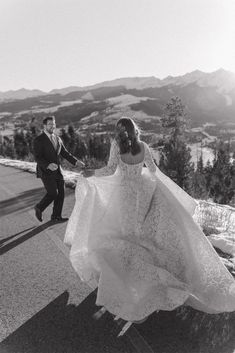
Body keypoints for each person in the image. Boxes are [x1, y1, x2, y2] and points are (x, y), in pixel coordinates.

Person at [64, 117, 235, 335]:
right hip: (144, 192)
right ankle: (140, 268)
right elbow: (153, 170)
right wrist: (171, 193)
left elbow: (109, 170)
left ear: (120, 132)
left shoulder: (117, 145)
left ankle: (129, 275)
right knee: (140, 232)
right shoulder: (143, 146)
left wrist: (91, 174)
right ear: (135, 130)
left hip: (125, 193)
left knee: (125, 233)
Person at [33, 116, 84, 223]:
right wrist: (48, 165)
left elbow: (65, 153)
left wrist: (76, 162)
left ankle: (56, 216)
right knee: (53, 193)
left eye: (54, 124)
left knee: (61, 193)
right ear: (45, 126)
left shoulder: (57, 138)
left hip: (57, 171)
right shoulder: (39, 140)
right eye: (50, 124)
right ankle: (39, 207)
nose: (52, 126)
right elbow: (37, 157)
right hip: (45, 171)